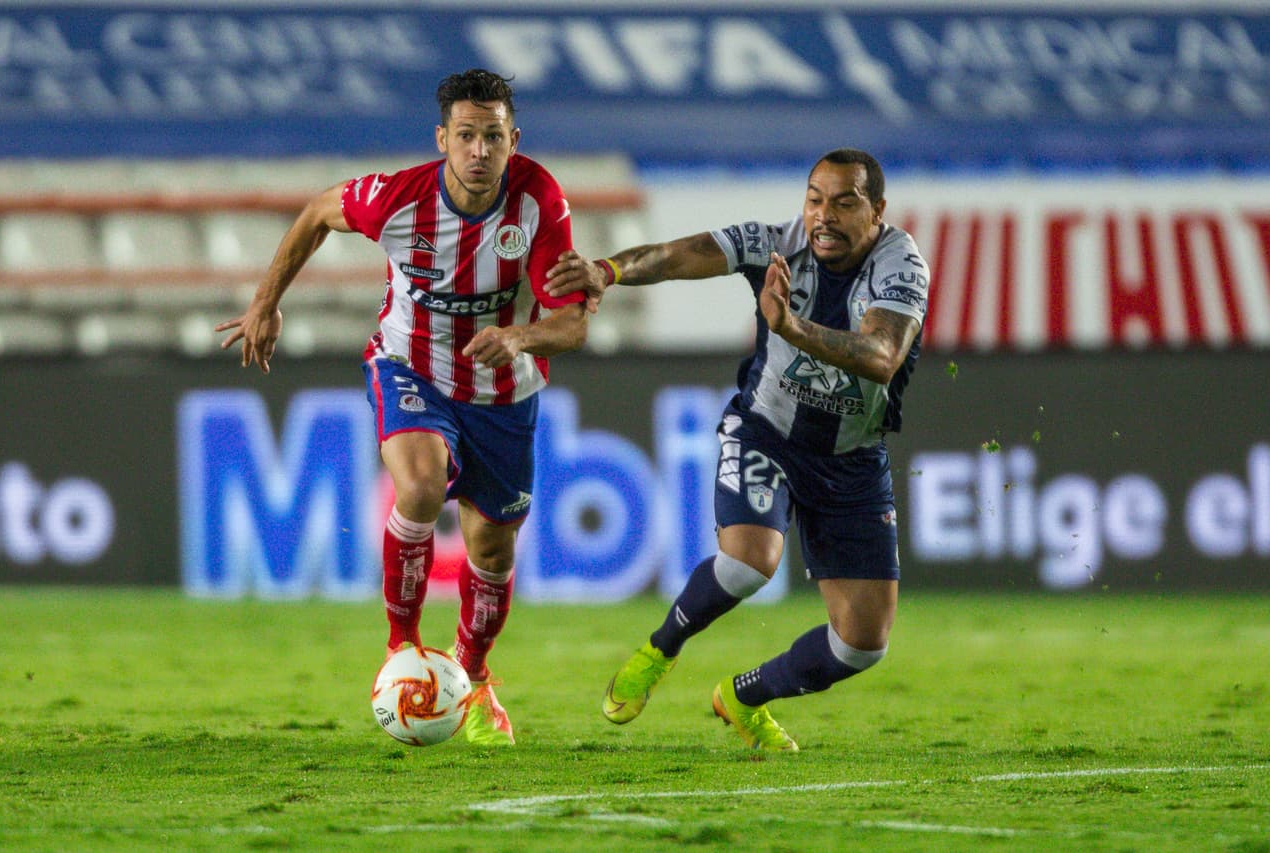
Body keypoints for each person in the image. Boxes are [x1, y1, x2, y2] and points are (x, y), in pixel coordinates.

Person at [216, 68, 588, 747]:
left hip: (504, 390)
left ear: (514, 140)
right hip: (408, 363)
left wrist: (522, 335)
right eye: (468, 136)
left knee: (492, 546)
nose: (480, 151)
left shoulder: (540, 201)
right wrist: (266, 301)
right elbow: (317, 212)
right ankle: (401, 647)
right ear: (442, 138)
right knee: (419, 483)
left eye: (494, 138)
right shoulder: (396, 199)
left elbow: (574, 321)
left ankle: (473, 679)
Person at [545, 148, 929, 751]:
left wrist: (792, 328)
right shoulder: (776, 242)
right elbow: (674, 255)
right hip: (766, 432)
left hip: (852, 462)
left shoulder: (900, 263)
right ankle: (660, 649)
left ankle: (744, 697)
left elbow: (882, 357)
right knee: (751, 561)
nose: (824, 216)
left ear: (877, 211)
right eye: (815, 198)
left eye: (845, 202)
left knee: (861, 646)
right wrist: (607, 271)